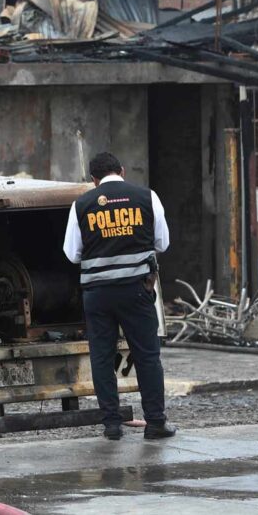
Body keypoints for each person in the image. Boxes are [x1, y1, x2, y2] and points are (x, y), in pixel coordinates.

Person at [63, 151, 176, 441]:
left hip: (98, 295)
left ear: (93, 179)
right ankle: (155, 424)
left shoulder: (82, 204)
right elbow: (162, 242)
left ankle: (112, 425)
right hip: (137, 291)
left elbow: (72, 253)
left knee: (102, 358)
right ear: (122, 170)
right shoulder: (147, 197)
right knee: (147, 356)